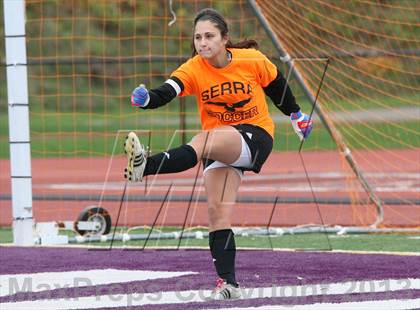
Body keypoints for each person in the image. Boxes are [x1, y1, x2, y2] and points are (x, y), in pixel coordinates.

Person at [125, 8, 313, 300]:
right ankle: (229, 284)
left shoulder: (251, 60)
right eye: (198, 37)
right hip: (218, 145)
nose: (203, 42)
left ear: (225, 39)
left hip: (255, 135)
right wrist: (148, 98)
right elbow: (167, 91)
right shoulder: (193, 68)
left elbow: (276, 86)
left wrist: (296, 115)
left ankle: (145, 166)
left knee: (204, 140)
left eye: (209, 36)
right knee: (217, 214)